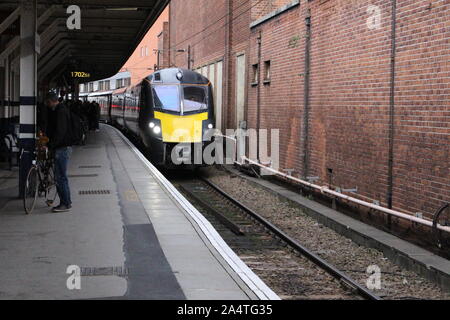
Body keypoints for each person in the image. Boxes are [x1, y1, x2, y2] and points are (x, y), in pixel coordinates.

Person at [45, 92, 73, 213]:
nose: (47, 105)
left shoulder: (60, 111)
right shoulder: (61, 109)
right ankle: (67, 202)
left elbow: (60, 131)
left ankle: (65, 204)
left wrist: (51, 145)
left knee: (60, 177)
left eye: (48, 102)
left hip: (61, 148)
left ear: (52, 101)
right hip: (62, 147)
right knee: (62, 177)